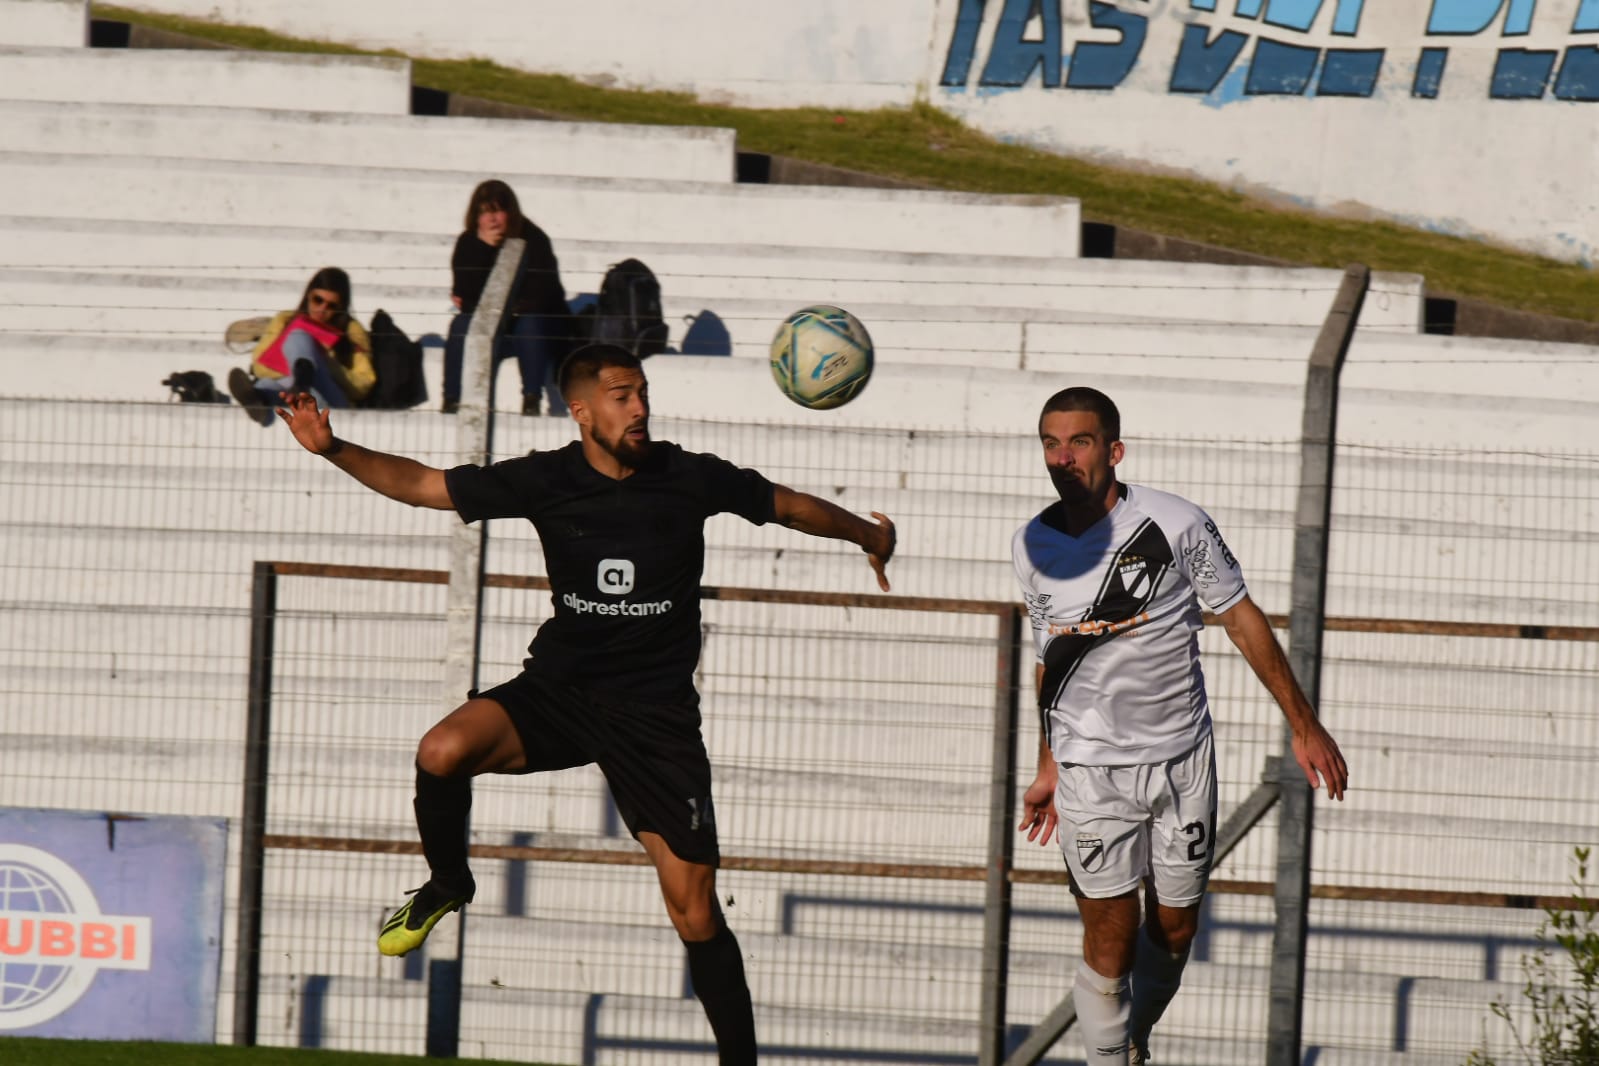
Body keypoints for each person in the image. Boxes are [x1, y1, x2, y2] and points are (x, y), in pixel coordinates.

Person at [273, 343, 897, 1065]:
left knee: (695, 913)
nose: (640, 408)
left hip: (655, 721)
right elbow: (423, 485)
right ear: (581, 411)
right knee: (441, 750)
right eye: (622, 396)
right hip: (559, 694)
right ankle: (448, 883)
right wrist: (332, 448)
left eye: (642, 393)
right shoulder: (547, 479)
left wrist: (868, 534)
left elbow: (786, 506)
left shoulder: (688, 476)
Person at [1012, 387, 1348, 1066]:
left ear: (1114, 450)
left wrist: (1303, 722)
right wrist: (1048, 762)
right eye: (1050, 443)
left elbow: (1240, 616)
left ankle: (1131, 1040)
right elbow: (1050, 659)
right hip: (1090, 769)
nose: (1062, 457)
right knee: (1111, 935)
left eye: (1079, 442)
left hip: (1181, 760)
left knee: (1173, 930)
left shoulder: (1175, 524)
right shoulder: (1031, 543)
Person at [443, 179, 574, 417]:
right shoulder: (469, 242)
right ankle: (451, 399)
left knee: (530, 324)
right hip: (489, 326)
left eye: (497, 211)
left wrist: (508, 308)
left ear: (510, 213)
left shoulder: (534, 240)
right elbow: (464, 296)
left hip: (530, 328)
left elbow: (544, 295)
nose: (492, 219)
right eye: (484, 212)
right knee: (459, 326)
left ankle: (532, 399)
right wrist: (484, 249)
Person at [228, 268, 375, 424]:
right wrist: (294, 367)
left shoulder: (351, 331)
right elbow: (259, 365)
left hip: (330, 397)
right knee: (269, 381)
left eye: (331, 305)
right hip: (293, 387)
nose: (322, 309)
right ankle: (263, 397)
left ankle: (293, 384)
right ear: (308, 296)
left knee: (300, 339)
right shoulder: (285, 319)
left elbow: (363, 385)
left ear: (341, 307)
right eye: (318, 300)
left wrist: (324, 361)